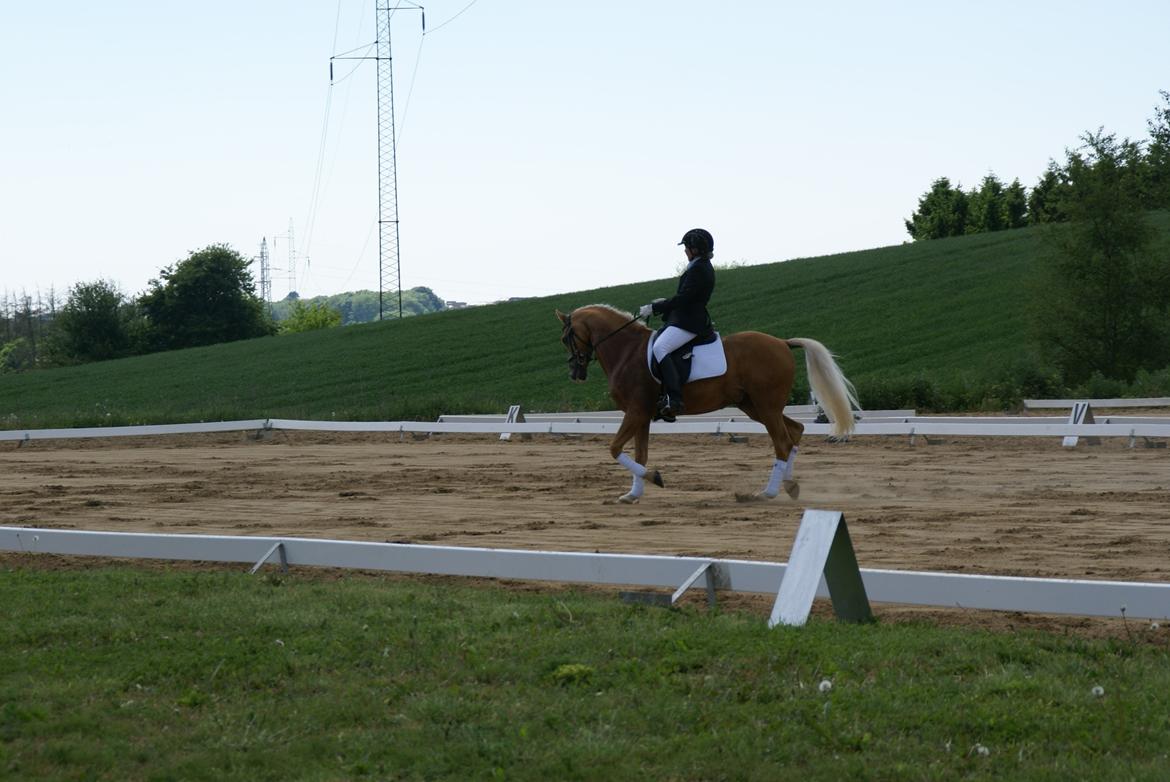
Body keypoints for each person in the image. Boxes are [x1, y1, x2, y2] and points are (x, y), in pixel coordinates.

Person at [638, 228, 716, 422]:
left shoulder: (699, 269)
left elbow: (684, 299)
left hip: (690, 322)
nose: (685, 251)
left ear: (695, 249)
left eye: (687, 248)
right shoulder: (700, 266)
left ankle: (674, 399)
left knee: (660, 347)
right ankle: (662, 396)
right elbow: (686, 298)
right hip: (685, 318)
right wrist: (665, 304)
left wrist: (655, 307)